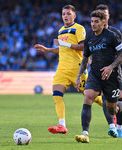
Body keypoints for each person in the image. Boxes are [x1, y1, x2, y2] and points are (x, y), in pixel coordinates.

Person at [33, 5, 104, 134]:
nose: (65, 16)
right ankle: (61, 125)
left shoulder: (78, 28)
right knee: (57, 95)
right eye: (63, 14)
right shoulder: (60, 30)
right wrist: (47, 50)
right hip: (62, 69)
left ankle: (111, 105)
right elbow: (62, 49)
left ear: (74, 16)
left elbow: (83, 46)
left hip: (77, 68)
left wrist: (64, 44)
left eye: (68, 13)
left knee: (90, 97)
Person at [75, 10, 122, 143]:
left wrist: (111, 66)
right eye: (92, 21)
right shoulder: (89, 35)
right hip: (95, 74)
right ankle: (85, 133)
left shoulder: (112, 36)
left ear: (103, 22)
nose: (93, 24)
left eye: (96, 22)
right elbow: (85, 58)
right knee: (88, 96)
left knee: (112, 109)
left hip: (111, 77)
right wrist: (79, 76)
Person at [95, 4, 122, 138]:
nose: (103, 17)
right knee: (106, 101)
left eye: (105, 15)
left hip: (115, 70)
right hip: (100, 71)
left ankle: (119, 129)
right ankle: (111, 127)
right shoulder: (93, 33)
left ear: (108, 17)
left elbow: (121, 50)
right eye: (101, 14)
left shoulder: (115, 32)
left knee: (120, 97)